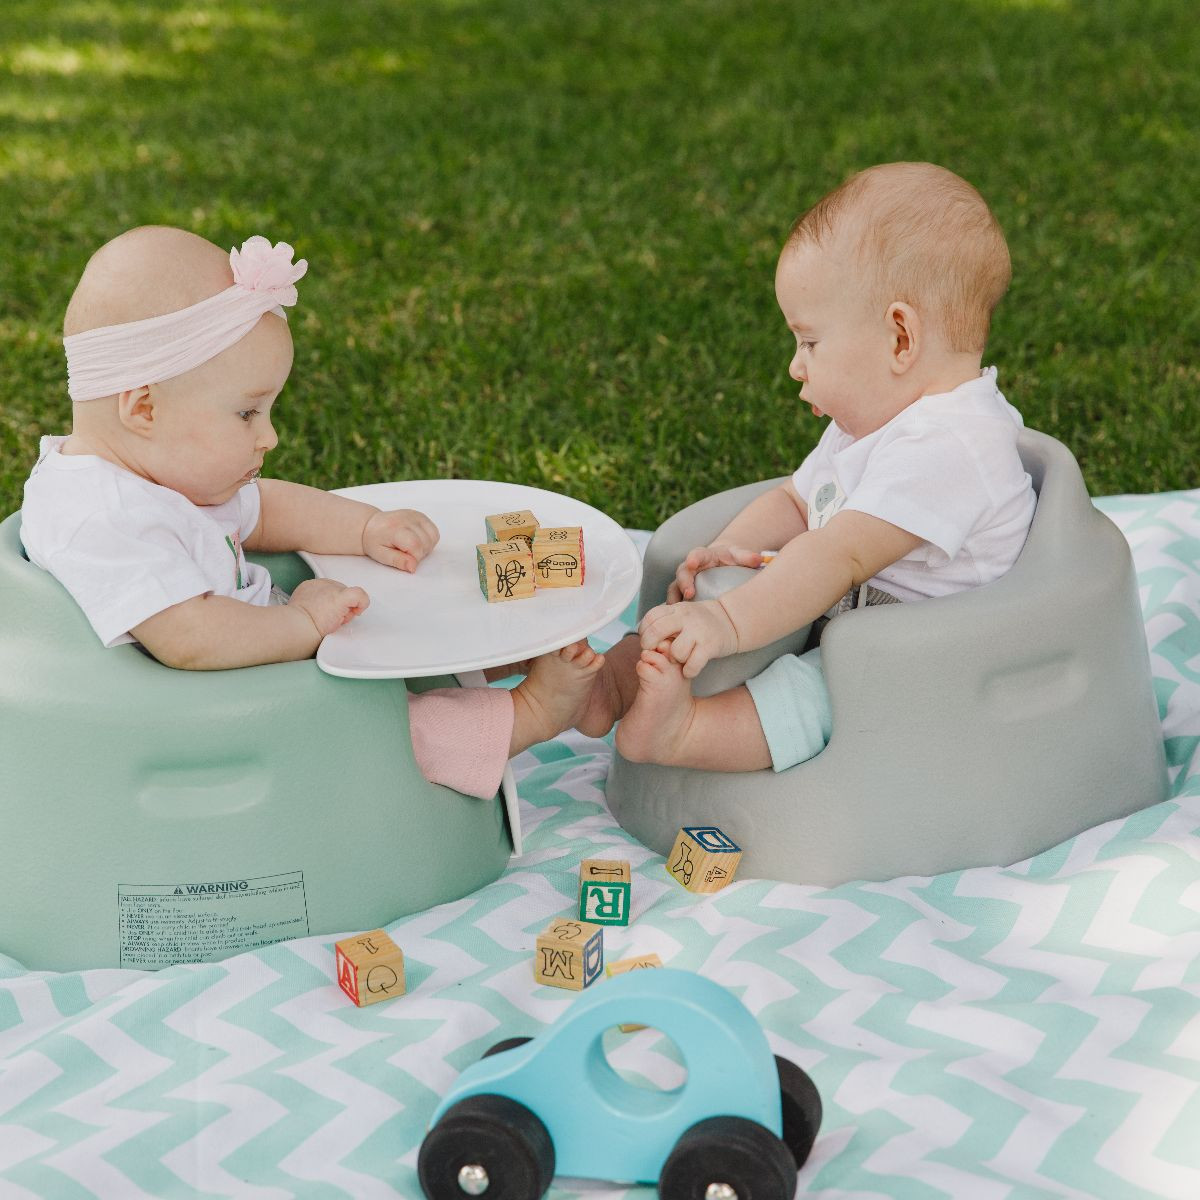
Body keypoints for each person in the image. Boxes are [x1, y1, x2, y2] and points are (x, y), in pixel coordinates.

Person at [20, 225, 603, 800]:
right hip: (209, 716)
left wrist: (365, 527)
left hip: (251, 668)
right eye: (248, 413)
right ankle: (534, 712)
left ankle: (504, 664)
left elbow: (265, 506)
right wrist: (302, 625)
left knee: (389, 631)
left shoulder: (149, 475)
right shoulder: (105, 518)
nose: (268, 436)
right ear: (143, 407)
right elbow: (191, 639)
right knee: (388, 731)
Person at [579, 162, 1036, 772]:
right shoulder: (873, 422)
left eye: (810, 342)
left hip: (932, 659)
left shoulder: (953, 446)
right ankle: (612, 684)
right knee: (742, 596)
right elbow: (797, 505)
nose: (796, 366)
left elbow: (836, 555)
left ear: (900, 339)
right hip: (853, 617)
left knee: (813, 695)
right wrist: (727, 552)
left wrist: (724, 620)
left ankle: (683, 734)